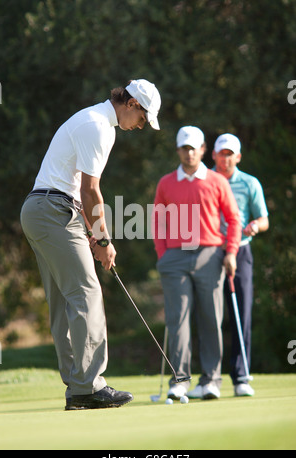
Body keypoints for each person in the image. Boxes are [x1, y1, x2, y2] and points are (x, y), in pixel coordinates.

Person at [20, 79, 161, 410]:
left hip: (42, 210)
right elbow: (90, 191)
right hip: (53, 210)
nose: (141, 126)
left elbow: (78, 193)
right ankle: (89, 385)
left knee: (64, 300)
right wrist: (104, 239)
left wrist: (91, 233)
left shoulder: (92, 119)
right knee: (86, 293)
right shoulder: (100, 127)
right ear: (132, 105)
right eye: (142, 119)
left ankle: (78, 386)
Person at [152, 126, 241, 400]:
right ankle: (180, 381)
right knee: (177, 320)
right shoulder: (166, 183)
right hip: (175, 256)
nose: (189, 153)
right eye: (184, 148)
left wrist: (231, 252)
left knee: (210, 318)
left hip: (210, 254)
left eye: (194, 148)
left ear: (203, 150)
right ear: (178, 150)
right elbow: (159, 222)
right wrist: (164, 254)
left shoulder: (217, 181)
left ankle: (211, 380)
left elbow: (234, 219)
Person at [212, 133, 269, 397]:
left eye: (230, 154)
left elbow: (263, 218)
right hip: (210, 252)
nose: (225, 158)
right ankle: (209, 377)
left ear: (238, 157)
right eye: (221, 153)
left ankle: (241, 376)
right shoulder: (205, 180)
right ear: (214, 155)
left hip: (241, 252)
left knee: (240, 314)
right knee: (209, 315)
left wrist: (255, 226)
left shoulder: (249, 183)